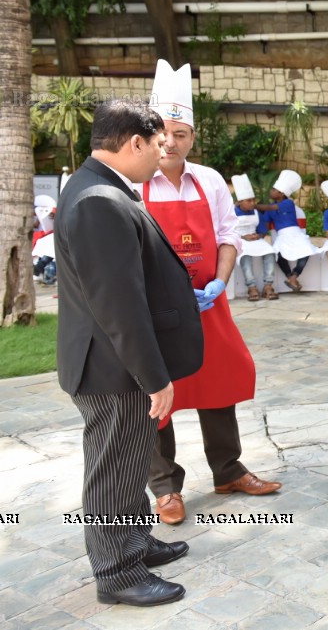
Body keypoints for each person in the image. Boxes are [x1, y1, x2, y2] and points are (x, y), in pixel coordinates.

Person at [56, 98, 204, 607]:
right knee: (113, 471)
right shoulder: (99, 199)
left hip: (113, 362)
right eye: (159, 145)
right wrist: (153, 376)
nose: (163, 155)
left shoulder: (96, 185)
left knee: (127, 462)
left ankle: (136, 541)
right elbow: (118, 303)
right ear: (135, 142)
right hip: (111, 367)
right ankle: (117, 572)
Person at [143, 61, 281, 527]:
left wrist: (220, 281)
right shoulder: (134, 184)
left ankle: (228, 470)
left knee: (218, 380)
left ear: (191, 138)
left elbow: (228, 236)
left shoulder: (210, 180)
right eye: (163, 131)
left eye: (180, 133)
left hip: (207, 299)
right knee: (157, 394)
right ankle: (166, 488)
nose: (170, 141)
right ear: (150, 131)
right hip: (156, 308)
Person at [259, 169, 319, 292]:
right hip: (282, 236)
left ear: (281, 194)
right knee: (279, 255)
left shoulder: (288, 203)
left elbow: (272, 207)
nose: (271, 191)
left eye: (274, 190)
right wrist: (258, 238)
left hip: (296, 233)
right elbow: (265, 226)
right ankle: (291, 277)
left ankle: (295, 275)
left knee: (306, 251)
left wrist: (253, 205)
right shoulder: (269, 210)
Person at [231, 174, 278, 301]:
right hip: (239, 240)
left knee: (270, 252)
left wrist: (259, 235)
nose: (253, 203)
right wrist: (243, 236)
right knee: (244, 255)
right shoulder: (232, 212)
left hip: (255, 240)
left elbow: (262, 230)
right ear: (241, 202)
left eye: (253, 200)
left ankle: (268, 285)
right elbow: (227, 231)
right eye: (249, 201)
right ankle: (251, 287)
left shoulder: (257, 212)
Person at [32, 194, 57, 284]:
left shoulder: (54, 212)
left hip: (49, 237)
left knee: (49, 251)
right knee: (47, 251)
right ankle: (39, 269)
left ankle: (39, 269)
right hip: (46, 237)